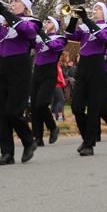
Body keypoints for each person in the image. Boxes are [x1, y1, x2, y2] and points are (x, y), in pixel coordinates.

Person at [0, 0, 40, 165]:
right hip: (2, 64)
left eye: (17, 1)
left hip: (20, 65)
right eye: (11, 1)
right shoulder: (3, 22)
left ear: (26, 5)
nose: (13, 4)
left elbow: (28, 33)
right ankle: (7, 153)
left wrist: (5, 12)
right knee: (2, 111)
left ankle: (28, 141)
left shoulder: (32, 21)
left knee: (13, 110)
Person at [66, 2, 107, 157]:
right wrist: (75, 18)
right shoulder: (84, 28)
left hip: (97, 66)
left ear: (105, 14)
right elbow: (69, 35)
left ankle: (89, 144)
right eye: (94, 8)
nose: (95, 10)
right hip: (83, 66)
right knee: (76, 107)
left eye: (98, 9)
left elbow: (103, 38)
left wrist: (86, 19)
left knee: (94, 107)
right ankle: (87, 138)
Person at [31, 16, 66, 146]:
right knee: (34, 106)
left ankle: (52, 127)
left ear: (55, 25)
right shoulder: (39, 38)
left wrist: (40, 33)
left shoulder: (60, 38)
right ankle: (38, 137)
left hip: (49, 73)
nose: (46, 23)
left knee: (42, 103)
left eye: (49, 21)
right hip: (37, 72)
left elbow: (53, 47)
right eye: (45, 21)